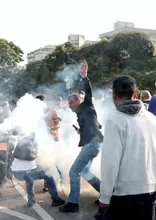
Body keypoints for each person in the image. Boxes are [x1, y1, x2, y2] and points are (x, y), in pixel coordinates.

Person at [98, 76, 156, 220]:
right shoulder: (151, 119)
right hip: (150, 190)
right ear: (135, 95)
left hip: (124, 194)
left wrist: (105, 196)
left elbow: (110, 162)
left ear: (114, 96)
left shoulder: (115, 120)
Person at [59, 60, 103, 213]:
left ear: (78, 101)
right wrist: (80, 132)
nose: (69, 106)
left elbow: (88, 93)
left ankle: (73, 203)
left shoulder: (86, 105)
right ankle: (106, 194)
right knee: (84, 172)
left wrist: (85, 77)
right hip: (92, 143)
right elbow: (92, 125)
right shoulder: (80, 113)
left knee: (74, 171)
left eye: (71, 103)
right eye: (68, 104)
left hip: (93, 144)